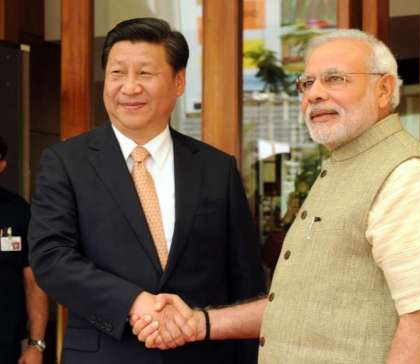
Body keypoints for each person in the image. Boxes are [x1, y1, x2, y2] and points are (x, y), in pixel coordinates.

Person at [132, 29, 420, 363]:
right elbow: (295, 309)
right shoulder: (343, 166)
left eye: (335, 79)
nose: (314, 94)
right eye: (307, 83)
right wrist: (198, 323)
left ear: (384, 89)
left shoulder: (404, 176)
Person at [28, 18, 264, 364]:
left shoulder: (216, 168)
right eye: (117, 73)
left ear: (179, 81)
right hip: (104, 355)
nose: (129, 87)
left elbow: (244, 279)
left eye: (145, 74)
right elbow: (51, 258)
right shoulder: (66, 162)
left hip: (202, 356)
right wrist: (133, 302)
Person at [0, 136, 49, 364]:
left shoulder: (18, 211)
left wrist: (36, 344)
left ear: (2, 166)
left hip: (4, 345)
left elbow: (34, 281)